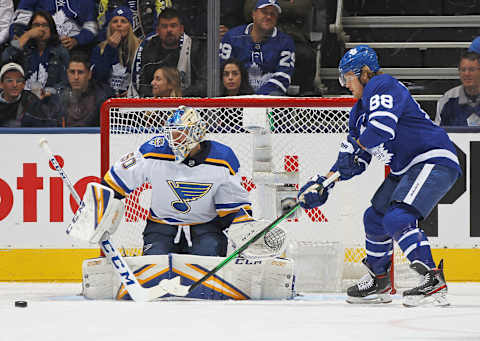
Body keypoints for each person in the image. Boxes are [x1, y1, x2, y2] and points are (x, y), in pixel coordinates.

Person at [297, 45, 461, 307]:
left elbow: (381, 130)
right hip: (406, 168)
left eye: (347, 78)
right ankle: (379, 280)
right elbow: (355, 162)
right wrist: (323, 183)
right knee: (374, 218)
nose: (345, 85)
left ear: (364, 73)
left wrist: (353, 151)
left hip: (432, 158)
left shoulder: (382, 85)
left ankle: (433, 281)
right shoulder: (358, 112)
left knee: (397, 218)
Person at [102, 106, 252, 256]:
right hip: (161, 228)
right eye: (171, 134)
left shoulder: (222, 158)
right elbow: (115, 182)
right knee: (154, 274)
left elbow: (233, 208)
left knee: (206, 273)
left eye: (180, 134)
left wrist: (243, 233)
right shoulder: (153, 151)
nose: (173, 140)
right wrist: (98, 206)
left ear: (197, 133)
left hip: (206, 229)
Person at [219, 0, 295, 96]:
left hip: (268, 101)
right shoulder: (232, 37)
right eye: (264, 12)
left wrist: (258, 98)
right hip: (237, 98)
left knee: (277, 96)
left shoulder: (285, 42)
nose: (268, 17)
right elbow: (223, 71)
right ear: (253, 14)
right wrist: (243, 98)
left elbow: (283, 76)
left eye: (273, 14)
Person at [129, 8, 206, 97]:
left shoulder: (195, 48)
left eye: (173, 26)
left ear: (181, 29)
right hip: (156, 104)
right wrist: (160, 98)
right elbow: (142, 85)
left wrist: (175, 96)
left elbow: (203, 85)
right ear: (158, 30)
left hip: (188, 104)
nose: (169, 30)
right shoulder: (148, 47)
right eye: (164, 26)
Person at [244, 0, 315, 95]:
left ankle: (304, 98)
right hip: (262, 38)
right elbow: (248, 9)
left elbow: (302, 8)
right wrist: (284, 7)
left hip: (294, 37)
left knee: (306, 56)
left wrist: (267, 8)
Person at [2, 10, 69, 98]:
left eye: (44, 25)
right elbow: (4, 61)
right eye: (36, 25)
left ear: (51, 28)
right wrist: (25, 37)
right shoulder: (23, 48)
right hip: (22, 100)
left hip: (50, 102)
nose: (40, 29)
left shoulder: (60, 51)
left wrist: (50, 92)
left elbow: (66, 82)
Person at [51, 53, 113, 127]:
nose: (76, 77)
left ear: (89, 74)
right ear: (67, 73)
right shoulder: (58, 94)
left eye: (80, 72)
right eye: (72, 72)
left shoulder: (102, 97)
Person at [9, 0, 98, 52]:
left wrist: (77, 40)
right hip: (37, 46)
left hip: (73, 50)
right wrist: (26, 36)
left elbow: (91, 28)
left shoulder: (86, 2)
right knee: (12, 51)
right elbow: (19, 23)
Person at [91, 6, 140, 97]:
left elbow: (141, 75)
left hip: (132, 97)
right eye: (115, 21)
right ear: (110, 26)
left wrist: (133, 90)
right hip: (106, 98)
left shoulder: (139, 47)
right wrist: (110, 49)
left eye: (123, 21)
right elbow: (98, 77)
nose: (119, 24)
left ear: (130, 25)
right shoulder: (100, 49)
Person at [0, 62, 54, 127]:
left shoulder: (30, 100)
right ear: (1, 84)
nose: (14, 85)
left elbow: (46, 124)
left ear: (23, 84)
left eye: (19, 81)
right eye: (9, 81)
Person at [435, 51, 480, 126]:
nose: (466, 74)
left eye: (471, 70)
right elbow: (439, 133)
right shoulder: (447, 99)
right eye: (463, 70)